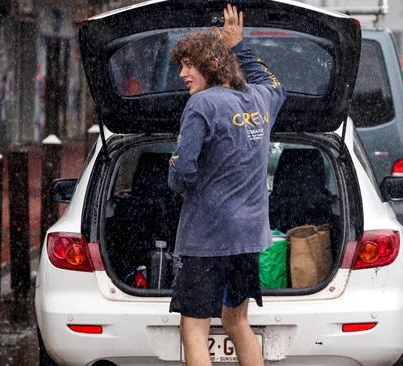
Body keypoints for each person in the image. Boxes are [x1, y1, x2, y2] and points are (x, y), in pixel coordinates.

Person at [167, 4, 286, 366]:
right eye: (181, 66)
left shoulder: (201, 105)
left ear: (211, 65)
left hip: (206, 238)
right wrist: (239, 46)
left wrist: (178, 184)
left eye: (190, 65)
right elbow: (274, 84)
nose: (183, 74)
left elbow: (183, 170)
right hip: (248, 238)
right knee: (237, 321)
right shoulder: (259, 100)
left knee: (194, 328)